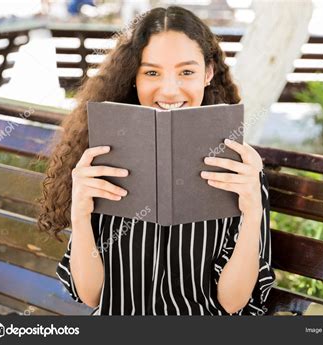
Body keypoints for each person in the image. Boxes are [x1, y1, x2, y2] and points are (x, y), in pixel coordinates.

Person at [38, 6, 275, 316]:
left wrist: (252, 211)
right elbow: (92, 295)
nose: (169, 89)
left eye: (186, 72)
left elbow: (232, 303)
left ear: (208, 73)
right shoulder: (102, 157)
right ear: (133, 77)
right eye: (152, 72)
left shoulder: (239, 168)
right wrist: (81, 216)